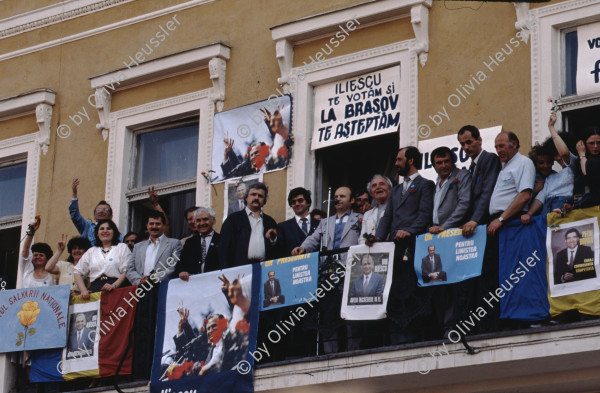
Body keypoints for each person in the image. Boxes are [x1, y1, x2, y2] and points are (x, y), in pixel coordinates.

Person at [367, 146, 435, 344]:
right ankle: (398, 334)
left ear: (411, 160)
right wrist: (377, 237)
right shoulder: (396, 190)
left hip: (414, 246)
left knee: (413, 291)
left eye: (399, 160)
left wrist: (411, 230)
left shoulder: (425, 185)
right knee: (397, 290)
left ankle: (416, 333)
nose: (396, 163)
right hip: (395, 248)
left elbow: (424, 213)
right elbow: (387, 218)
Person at [292, 186, 362, 353]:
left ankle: (353, 350)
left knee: (351, 313)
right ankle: (330, 353)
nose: (338, 199)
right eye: (336, 196)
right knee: (329, 314)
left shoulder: (360, 219)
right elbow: (313, 239)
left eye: (342, 196)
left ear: (351, 200)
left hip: (350, 271)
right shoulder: (325, 222)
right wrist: (302, 248)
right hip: (329, 274)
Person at [522, 113, 577, 222]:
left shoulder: (574, 166)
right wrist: (529, 214)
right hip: (547, 212)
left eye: (559, 153)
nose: (558, 157)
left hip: (564, 209)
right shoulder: (551, 177)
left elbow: (565, 153)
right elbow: (540, 198)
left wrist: (551, 127)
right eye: (555, 154)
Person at [457, 125, 501, 237]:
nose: (466, 147)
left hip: (487, 223)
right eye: (462, 144)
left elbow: (488, 191)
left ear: (479, 140)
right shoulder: (472, 167)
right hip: (475, 226)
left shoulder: (489, 159)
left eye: (469, 142)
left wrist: (475, 220)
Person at [219, 182, 278, 267]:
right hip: (240, 270)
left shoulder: (270, 221)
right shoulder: (233, 219)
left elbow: (276, 250)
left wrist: (273, 239)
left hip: (265, 268)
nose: (256, 197)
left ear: (264, 201)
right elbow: (223, 249)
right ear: (246, 197)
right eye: (253, 194)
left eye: (260, 196)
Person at [74, 219, 131, 299]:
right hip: (95, 290)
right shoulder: (91, 251)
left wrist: (114, 285)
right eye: (102, 229)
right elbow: (77, 271)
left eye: (108, 228)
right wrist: (83, 290)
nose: (105, 231)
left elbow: (127, 270)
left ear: (114, 232)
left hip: (117, 289)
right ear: (97, 234)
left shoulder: (121, 247)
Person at [126, 211, 182, 286]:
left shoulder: (174, 244)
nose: (154, 227)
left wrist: (152, 278)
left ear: (164, 225)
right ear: (147, 226)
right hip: (141, 289)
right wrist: (139, 280)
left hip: (163, 287)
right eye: (151, 224)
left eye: (158, 224)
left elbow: (172, 268)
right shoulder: (137, 246)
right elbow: (129, 269)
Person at [428, 146, 471, 234]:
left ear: (452, 161)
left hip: (456, 231)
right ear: (434, 166)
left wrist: (444, 227)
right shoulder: (437, 182)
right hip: (436, 232)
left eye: (446, 161)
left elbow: (464, 203)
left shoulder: (462, 175)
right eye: (439, 163)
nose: (443, 165)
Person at [69, 178, 121, 246]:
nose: (101, 211)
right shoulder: (87, 227)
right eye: (98, 210)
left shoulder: (116, 233)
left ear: (111, 216)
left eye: (105, 210)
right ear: (94, 216)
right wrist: (74, 194)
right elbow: (75, 215)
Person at [175, 207, 221, 280]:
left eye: (205, 219)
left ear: (213, 221)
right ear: (195, 223)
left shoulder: (222, 239)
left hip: (216, 283)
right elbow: (180, 264)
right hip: (195, 285)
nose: (202, 223)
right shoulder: (189, 242)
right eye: (198, 220)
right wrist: (182, 271)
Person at [277, 187, 319, 256]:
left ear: (308, 202)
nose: (296, 204)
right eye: (293, 202)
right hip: (292, 265)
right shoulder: (283, 227)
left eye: (300, 200)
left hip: (316, 265)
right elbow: (280, 252)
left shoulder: (320, 224)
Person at [21, 218, 56, 287]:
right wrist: (31, 232)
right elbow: (26, 249)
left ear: (47, 259)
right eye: (36, 255)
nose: (38, 257)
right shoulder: (27, 270)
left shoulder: (52, 278)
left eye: (41, 255)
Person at [359, 175, 392, 244]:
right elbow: (362, 239)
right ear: (371, 193)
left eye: (382, 184)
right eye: (374, 186)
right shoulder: (367, 214)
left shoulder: (397, 209)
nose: (378, 187)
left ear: (390, 189)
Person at [573, 126, 600, 209]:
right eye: (591, 143)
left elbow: (587, 171)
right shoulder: (578, 162)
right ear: (584, 144)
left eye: (599, 143)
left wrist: (582, 154)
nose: (595, 146)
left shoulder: (583, 159)